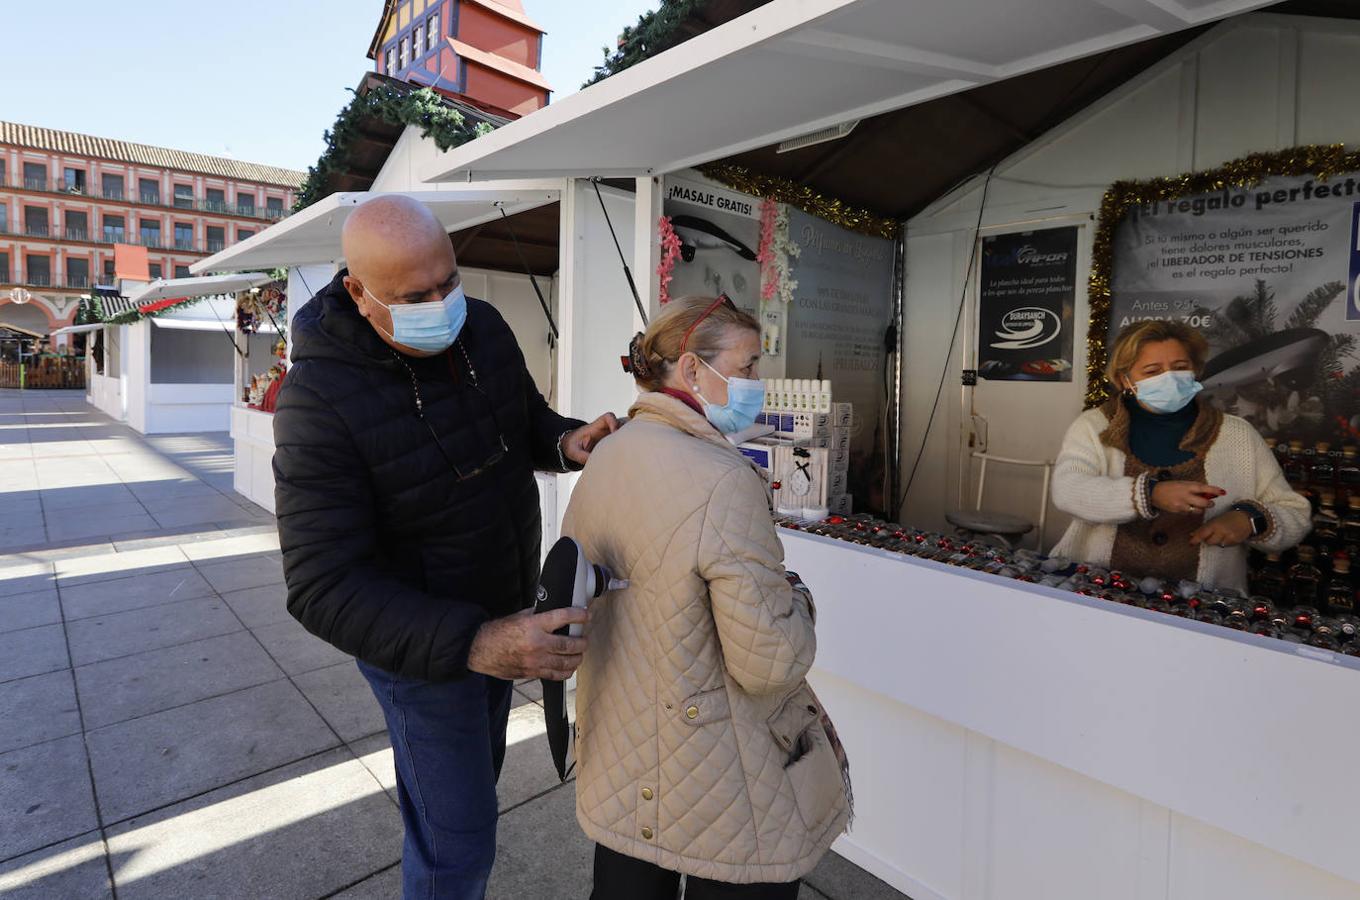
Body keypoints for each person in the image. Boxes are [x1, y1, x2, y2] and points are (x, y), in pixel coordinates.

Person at [272, 195, 618, 899]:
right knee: (454, 845)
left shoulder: (482, 327)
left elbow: (522, 420)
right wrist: (476, 642)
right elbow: (320, 586)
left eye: (448, 282)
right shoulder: (316, 400)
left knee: (467, 794)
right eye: (415, 295)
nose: (442, 304)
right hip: (423, 651)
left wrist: (564, 441)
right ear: (358, 294)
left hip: (504, 617)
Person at [561, 296, 851, 900]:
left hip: (626, 737)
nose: (756, 384)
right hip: (717, 757)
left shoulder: (609, 451)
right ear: (692, 370)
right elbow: (769, 660)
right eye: (746, 367)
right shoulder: (721, 480)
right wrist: (800, 599)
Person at [1051, 319, 1310, 593]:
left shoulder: (1237, 434)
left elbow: (1295, 512)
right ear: (1123, 380)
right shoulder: (1094, 426)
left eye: (1180, 368)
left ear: (1196, 370)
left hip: (1203, 605)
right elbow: (1068, 489)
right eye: (1152, 371)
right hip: (1099, 591)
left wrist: (1250, 520)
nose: (1170, 378)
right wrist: (1149, 494)